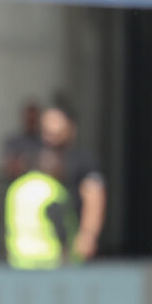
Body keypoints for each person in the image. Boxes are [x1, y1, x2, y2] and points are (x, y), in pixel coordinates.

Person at [40, 101, 106, 262]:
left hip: (70, 245)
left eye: (57, 129)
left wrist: (88, 235)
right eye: (46, 129)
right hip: (38, 250)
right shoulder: (37, 158)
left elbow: (94, 196)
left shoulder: (82, 161)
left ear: (71, 128)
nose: (51, 135)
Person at [4, 148, 76, 269]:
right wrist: (66, 255)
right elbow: (60, 226)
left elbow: (8, 224)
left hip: (19, 258)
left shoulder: (16, 188)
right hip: (48, 260)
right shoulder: (53, 189)